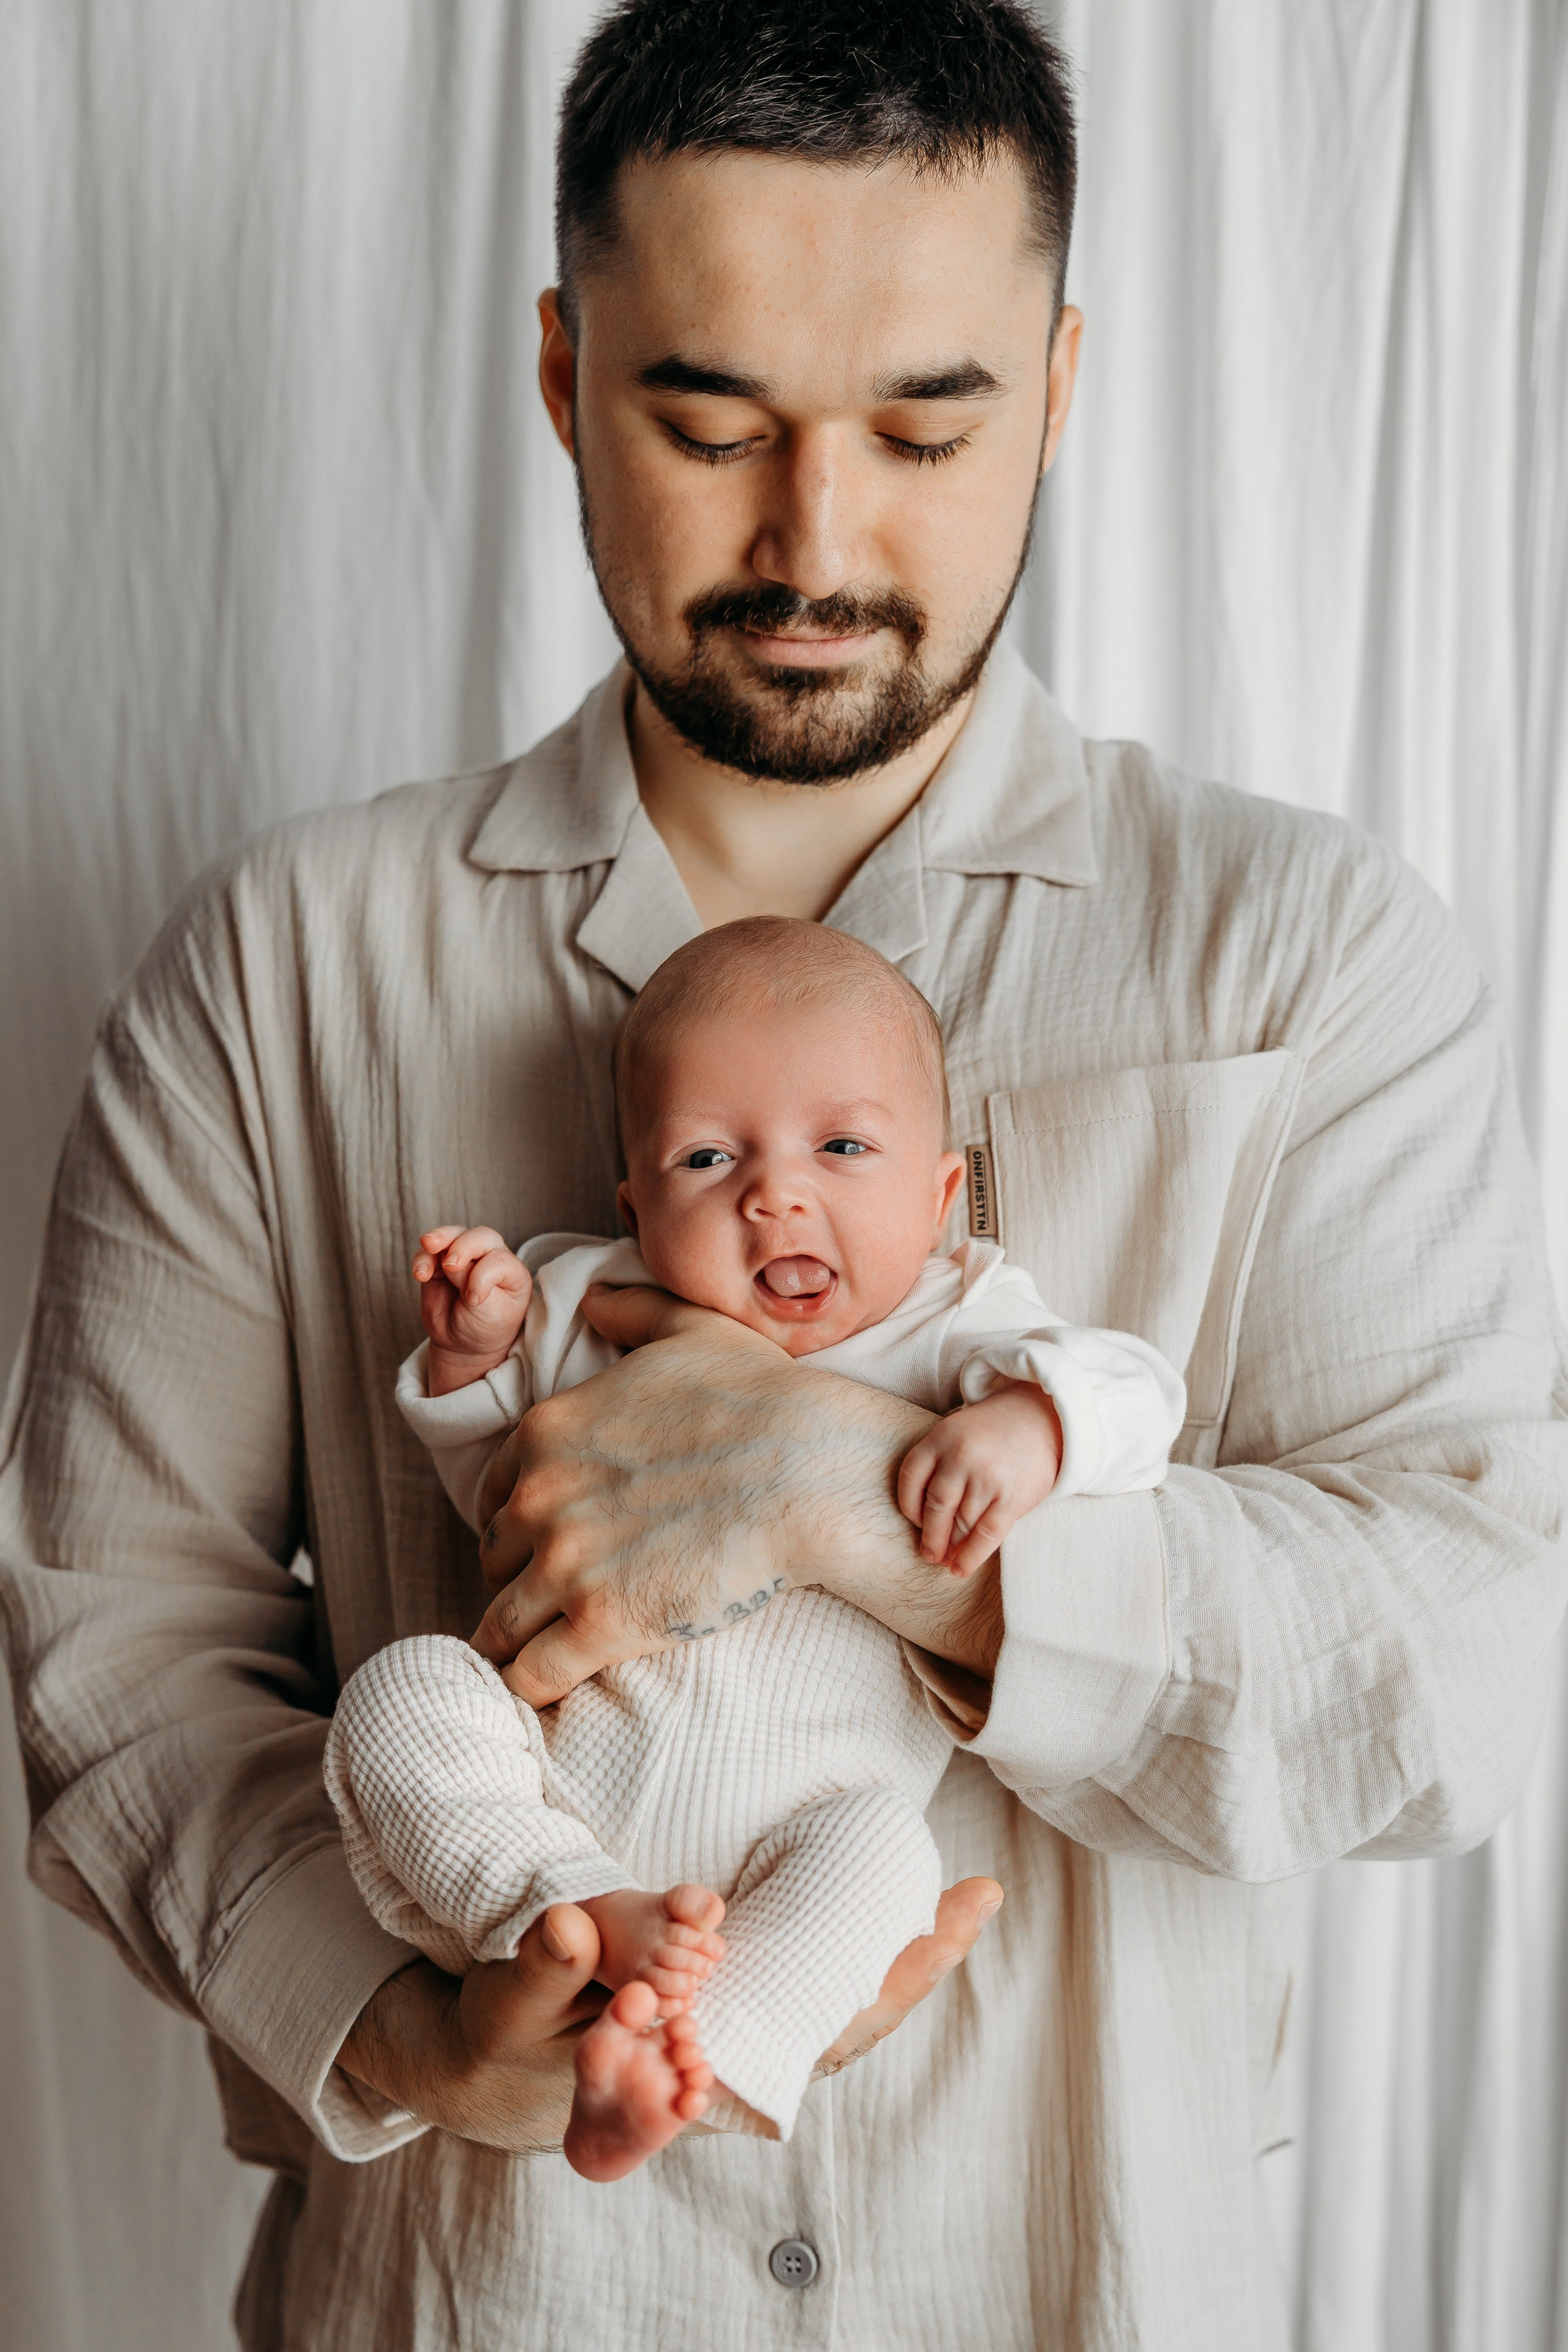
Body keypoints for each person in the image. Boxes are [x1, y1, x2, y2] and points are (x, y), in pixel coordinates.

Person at [1, 2, 1562, 2345]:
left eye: (928, 427)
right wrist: (415, 2028)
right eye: (707, 422)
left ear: (1057, 385)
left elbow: (1487, 1648)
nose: (813, 541)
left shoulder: (1311, 951)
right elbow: (113, 1648)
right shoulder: (284, 963)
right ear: (560, 371)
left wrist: (859, 1514)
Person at [325, 917, 1186, 2180]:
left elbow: (1137, 1396)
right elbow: (507, 1502)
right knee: (405, 1691)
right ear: (635, 1203)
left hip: (804, 1822)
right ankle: (563, 1901)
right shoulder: (592, 1304)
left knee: (886, 1856)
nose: (773, 1193)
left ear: (941, 1198)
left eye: (841, 1146)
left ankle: (680, 2062)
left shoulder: (959, 1326)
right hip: (556, 1795)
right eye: (707, 1156)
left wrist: (1032, 1428)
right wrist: (474, 1355)